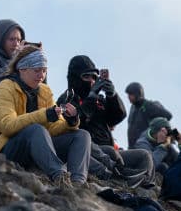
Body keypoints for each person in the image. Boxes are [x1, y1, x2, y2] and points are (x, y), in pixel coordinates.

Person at [0, 44, 92, 186]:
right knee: (36, 129)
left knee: (81, 135)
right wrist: (44, 115)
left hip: (37, 149)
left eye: (44, 71)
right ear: (22, 69)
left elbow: (53, 129)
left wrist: (71, 121)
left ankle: (78, 183)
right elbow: (7, 126)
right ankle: (60, 177)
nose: (41, 75)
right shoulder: (4, 88)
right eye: (37, 70)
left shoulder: (44, 91)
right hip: (3, 148)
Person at [58, 55, 153, 187]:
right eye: (87, 77)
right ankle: (124, 183)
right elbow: (74, 123)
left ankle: (143, 187)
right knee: (110, 152)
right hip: (90, 151)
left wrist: (112, 95)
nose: (92, 81)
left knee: (144, 156)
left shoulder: (99, 100)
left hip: (111, 151)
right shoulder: (67, 99)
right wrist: (91, 98)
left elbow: (118, 116)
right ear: (75, 77)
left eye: (94, 78)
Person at [125, 82, 173, 149]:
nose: (128, 97)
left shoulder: (148, 105)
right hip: (132, 148)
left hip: (146, 147)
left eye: (131, 94)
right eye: (128, 94)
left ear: (138, 94)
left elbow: (168, 115)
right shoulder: (133, 108)